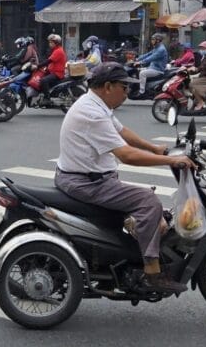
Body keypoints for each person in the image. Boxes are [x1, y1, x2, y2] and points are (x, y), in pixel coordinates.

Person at [56, 61, 196, 295]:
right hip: (86, 183)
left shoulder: (97, 106)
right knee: (148, 201)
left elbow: (122, 132)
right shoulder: (92, 112)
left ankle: (133, 247)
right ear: (108, 86)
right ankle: (152, 271)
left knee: (157, 216)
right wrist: (171, 160)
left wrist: (154, 148)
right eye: (124, 87)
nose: (127, 92)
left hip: (91, 178)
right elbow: (126, 154)